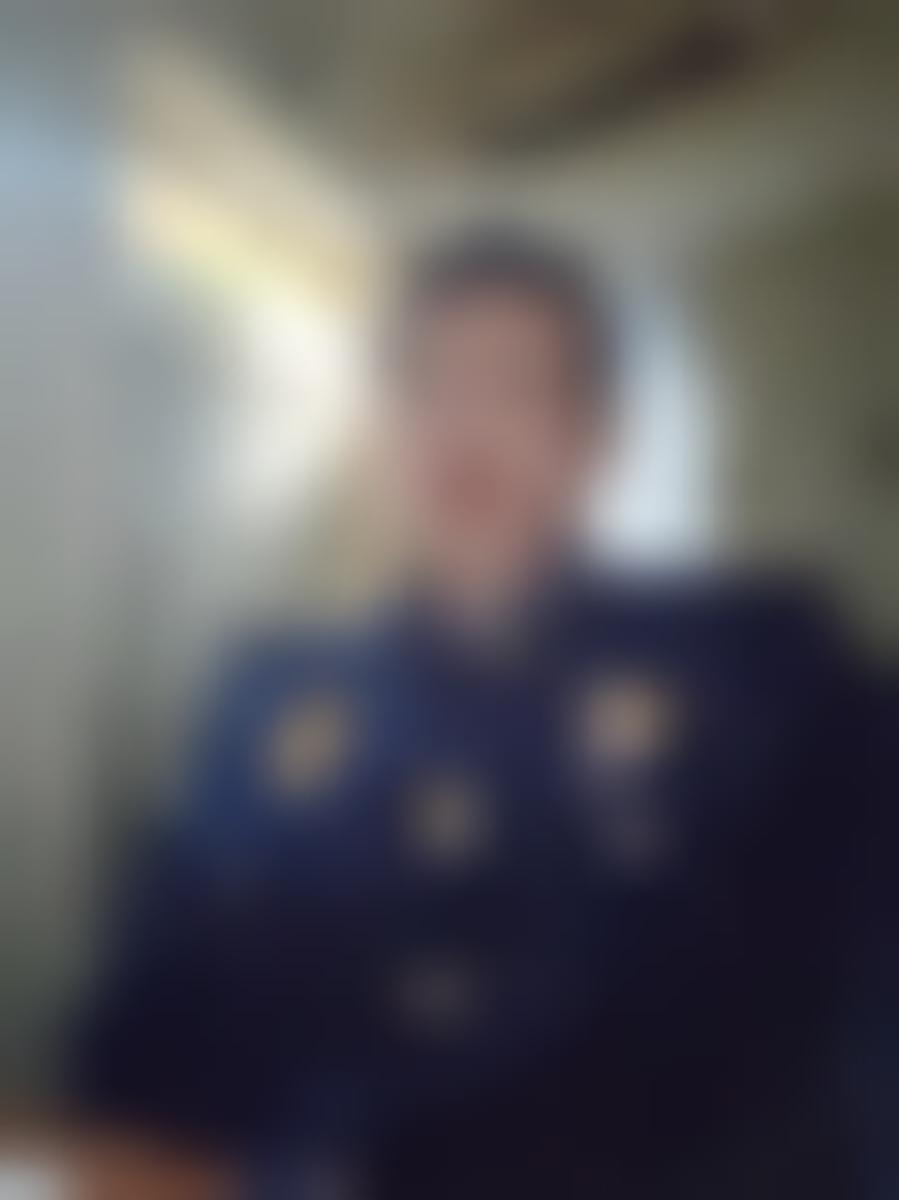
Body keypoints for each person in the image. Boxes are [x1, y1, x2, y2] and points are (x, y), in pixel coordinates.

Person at [73, 227, 893, 1198]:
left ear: (596, 439)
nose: (462, 429)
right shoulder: (270, 700)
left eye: (515, 387)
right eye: (426, 384)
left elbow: (852, 1022)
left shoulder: (756, 669)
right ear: (378, 429)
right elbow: (147, 1027)